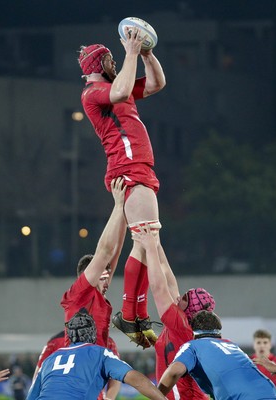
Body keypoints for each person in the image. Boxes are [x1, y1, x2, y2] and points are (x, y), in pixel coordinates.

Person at [78, 23, 166, 348]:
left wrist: (146, 54)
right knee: (146, 238)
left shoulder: (122, 84)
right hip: (126, 169)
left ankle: (135, 313)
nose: (116, 62)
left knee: (146, 241)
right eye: (111, 59)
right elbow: (118, 92)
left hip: (138, 168)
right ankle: (131, 313)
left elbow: (157, 83)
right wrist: (130, 53)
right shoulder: (93, 93)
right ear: (99, 65)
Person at [60, 177, 126, 400]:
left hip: (91, 379)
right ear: (86, 276)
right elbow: (105, 252)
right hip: (77, 378)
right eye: (103, 276)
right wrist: (117, 205)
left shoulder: (97, 295)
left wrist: (125, 213)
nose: (108, 280)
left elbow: (114, 253)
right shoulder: (79, 294)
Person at [132, 225, 214, 399]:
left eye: (184, 298)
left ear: (191, 309)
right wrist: (156, 241)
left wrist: (150, 249)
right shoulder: (185, 320)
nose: (178, 298)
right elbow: (168, 276)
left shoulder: (181, 326)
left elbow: (158, 287)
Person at [26, 310, 167, 400]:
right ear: (93, 333)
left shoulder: (50, 360)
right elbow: (135, 378)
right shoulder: (100, 353)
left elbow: (31, 396)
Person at [157, 310, 276, 400]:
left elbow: (174, 371)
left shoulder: (192, 346)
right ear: (219, 334)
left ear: (193, 334)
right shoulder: (232, 345)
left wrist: (157, 396)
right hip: (271, 393)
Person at [250, 329, 276, 396]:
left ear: (270, 345)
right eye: (258, 342)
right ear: (253, 345)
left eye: (265, 342)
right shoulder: (247, 361)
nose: (262, 346)